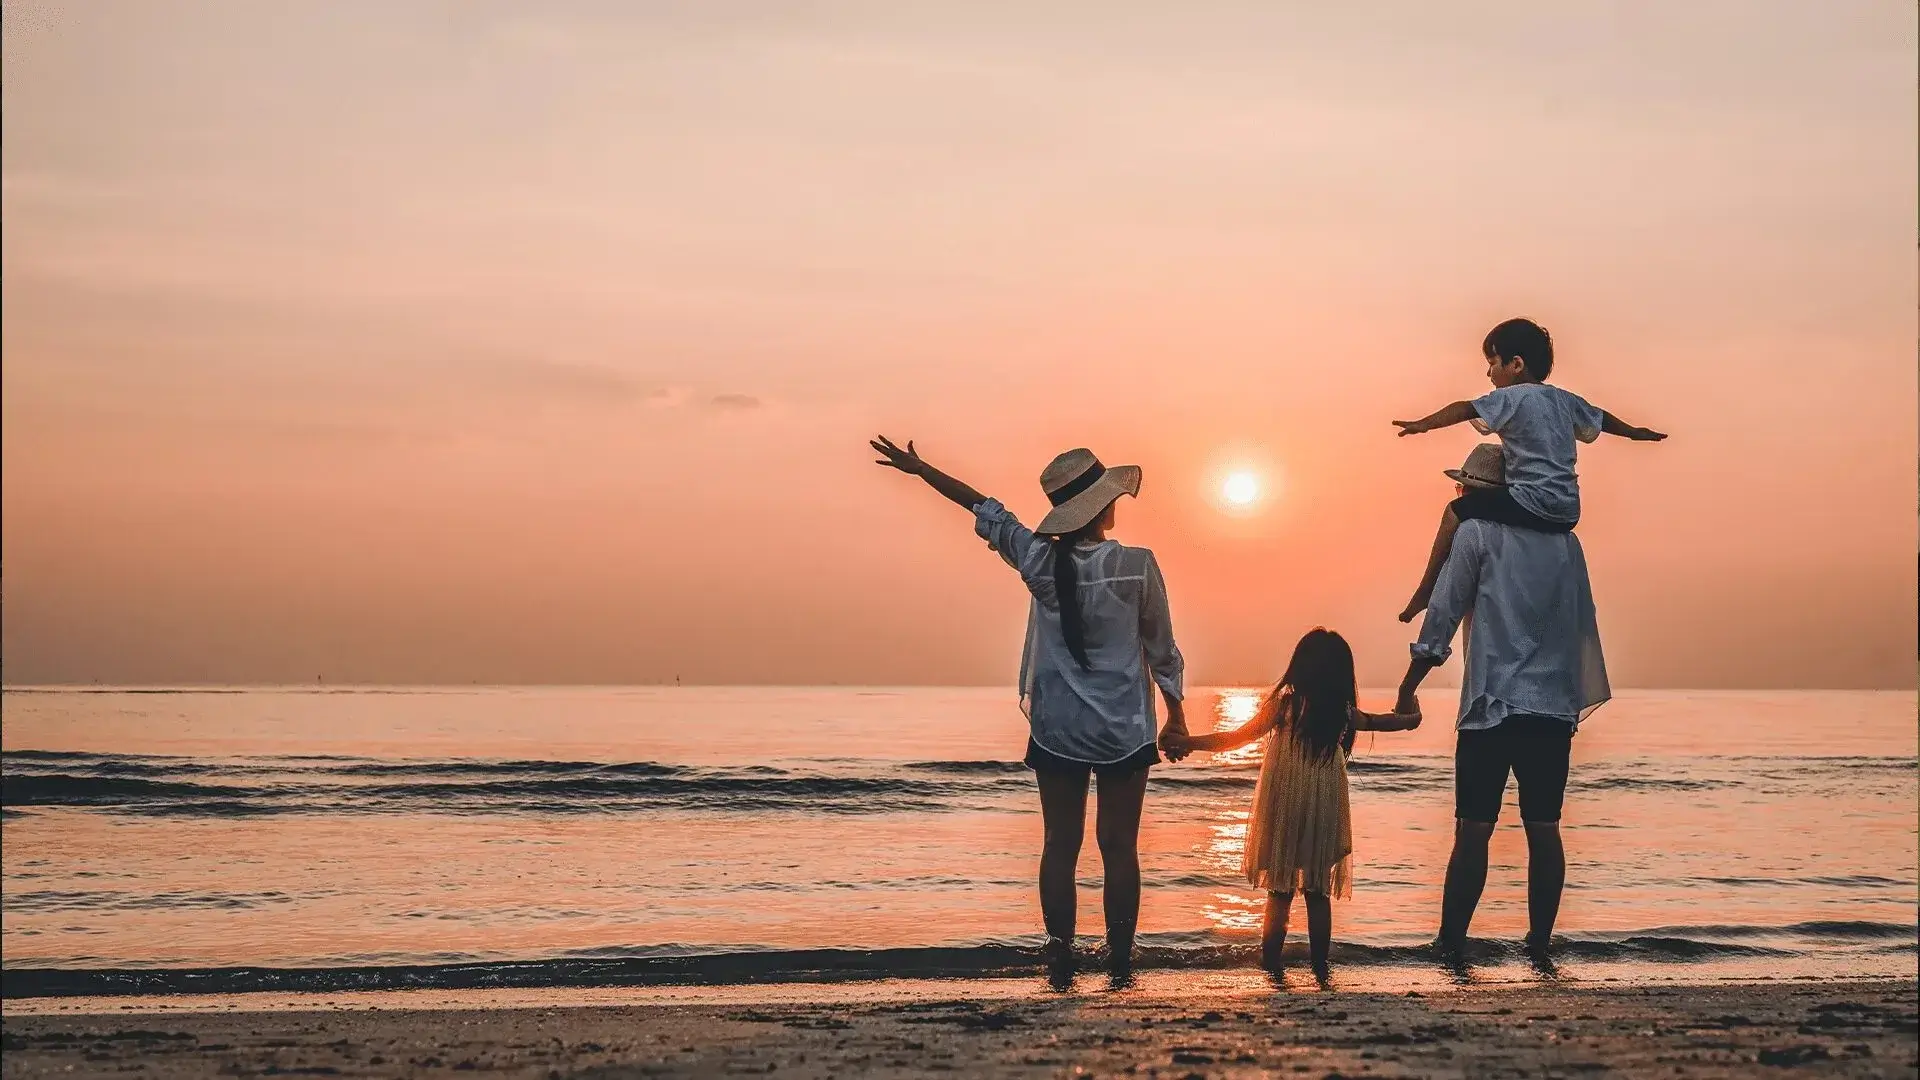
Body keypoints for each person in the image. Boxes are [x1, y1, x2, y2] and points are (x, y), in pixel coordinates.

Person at [870, 436, 1187, 981]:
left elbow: (981, 505)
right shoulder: (1136, 565)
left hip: (1059, 726)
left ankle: (1060, 953)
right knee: (1119, 847)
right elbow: (1161, 647)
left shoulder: (1038, 557)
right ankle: (1119, 961)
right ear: (1104, 506)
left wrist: (923, 470)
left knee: (1058, 846)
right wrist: (1177, 717)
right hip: (1125, 730)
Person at [1393, 445, 1612, 963]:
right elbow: (1579, 622)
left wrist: (1408, 687)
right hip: (1551, 706)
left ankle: (1450, 942)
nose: (1459, 495)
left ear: (1475, 491)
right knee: (1544, 827)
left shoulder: (1475, 534)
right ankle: (1539, 945)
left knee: (1473, 827)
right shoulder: (1566, 544)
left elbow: (1441, 616)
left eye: (1462, 488)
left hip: (1491, 704)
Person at [1162, 629, 1421, 981]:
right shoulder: (1342, 712)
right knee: (1317, 891)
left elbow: (1237, 737)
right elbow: (1383, 722)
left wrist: (1188, 742)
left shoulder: (1286, 705)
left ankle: (1271, 964)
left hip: (1284, 802)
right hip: (1325, 804)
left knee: (1279, 889)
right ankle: (1320, 968)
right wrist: (1411, 719)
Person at [1392, 316, 1666, 622]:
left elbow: (1466, 407)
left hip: (1532, 503)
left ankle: (1425, 591)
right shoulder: (1564, 399)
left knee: (1455, 511)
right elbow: (1601, 418)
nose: (1489, 372)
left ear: (1516, 364)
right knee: (1501, 488)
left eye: (1493, 362)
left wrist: (1424, 424)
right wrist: (1634, 432)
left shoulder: (1510, 397)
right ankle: (1428, 591)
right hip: (1568, 510)